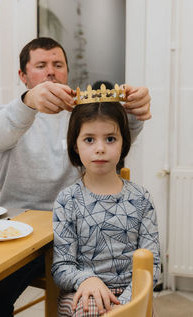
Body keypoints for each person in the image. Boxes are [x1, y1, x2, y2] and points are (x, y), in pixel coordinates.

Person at [0, 37, 151, 316]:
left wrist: (136, 109)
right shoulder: (10, 117)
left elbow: (121, 137)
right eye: (41, 65)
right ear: (23, 75)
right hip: (21, 234)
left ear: (67, 71)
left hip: (75, 231)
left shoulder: (83, 117)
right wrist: (28, 102)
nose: (51, 72)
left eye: (58, 64)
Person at [52, 101, 160, 317]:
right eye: (89, 139)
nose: (100, 148)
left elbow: (153, 264)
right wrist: (87, 279)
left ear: (123, 143)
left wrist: (127, 304)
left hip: (133, 293)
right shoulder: (67, 200)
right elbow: (62, 267)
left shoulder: (142, 199)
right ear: (75, 145)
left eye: (110, 139)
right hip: (82, 292)